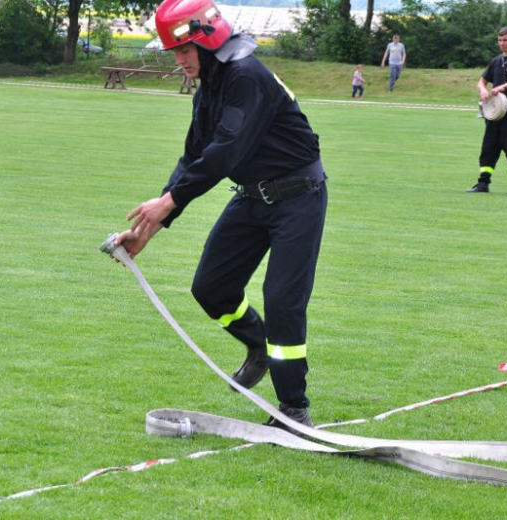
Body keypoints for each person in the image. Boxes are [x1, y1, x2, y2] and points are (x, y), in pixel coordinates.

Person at [114, 0, 328, 432]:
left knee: (283, 300)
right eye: (175, 51)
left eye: (184, 50)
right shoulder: (212, 80)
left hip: (297, 197)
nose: (178, 60)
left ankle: (294, 409)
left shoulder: (246, 76)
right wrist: (149, 226)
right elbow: (195, 152)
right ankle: (257, 347)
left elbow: (227, 150)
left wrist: (168, 202)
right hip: (252, 197)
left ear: (208, 41)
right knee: (211, 287)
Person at [466, 27, 507, 195]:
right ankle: (483, 183)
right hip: (494, 109)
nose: (502, 43)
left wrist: (504, 86)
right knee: (489, 146)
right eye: (500, 40)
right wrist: (483, 90)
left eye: (505, 40)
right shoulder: (496, 61)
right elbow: (481, 81)